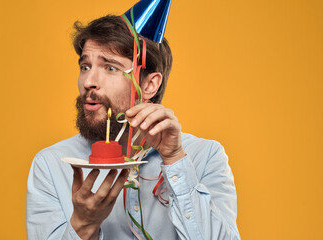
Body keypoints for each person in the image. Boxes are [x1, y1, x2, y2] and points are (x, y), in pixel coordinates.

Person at [26, 2, 240, 239]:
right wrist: (82, 224)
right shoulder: (51, 165)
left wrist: (175, 162)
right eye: (85, 66)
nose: (89, 81)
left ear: (149, 85)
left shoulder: (205, 157)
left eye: (110, 68)